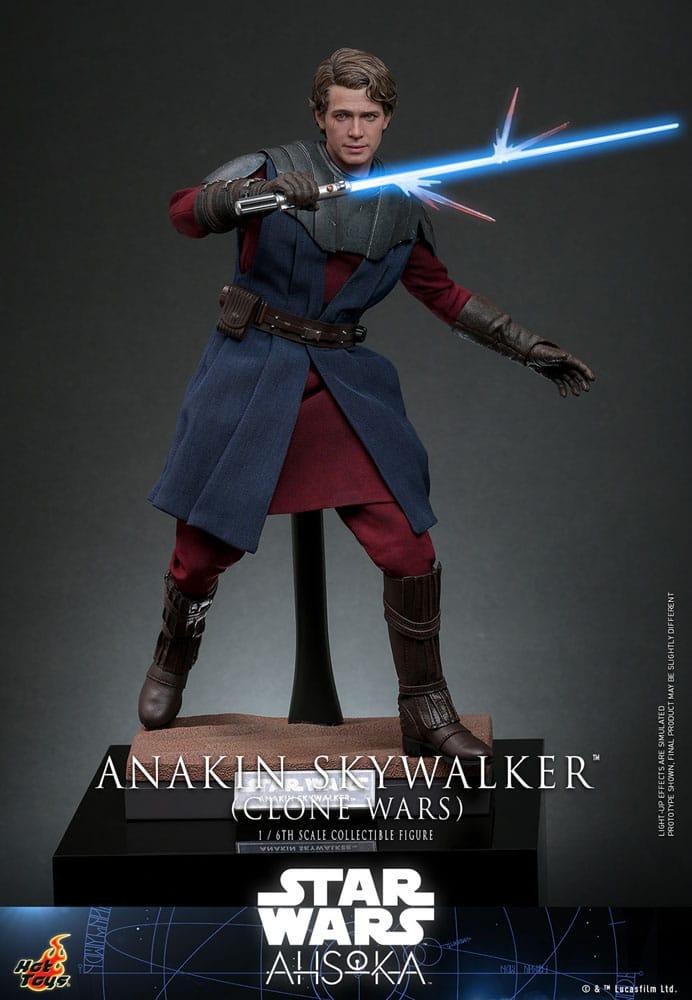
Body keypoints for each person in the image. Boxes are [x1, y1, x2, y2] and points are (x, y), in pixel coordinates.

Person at [139, 48, 595, 765]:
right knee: (200, 551)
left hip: (339, 383)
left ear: (387, 120)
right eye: (343, 115)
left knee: (408, 544)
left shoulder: (398, 204)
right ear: (320, 117)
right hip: (253, 373)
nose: (356, 130)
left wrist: (527, 345)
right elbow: (184, 213)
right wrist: (252, 198)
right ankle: (173, 652)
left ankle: (426, 710)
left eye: (370, 116)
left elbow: (443, 293)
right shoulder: (270, 169)